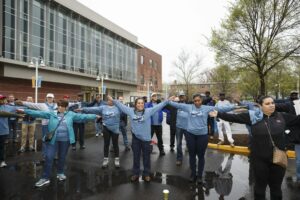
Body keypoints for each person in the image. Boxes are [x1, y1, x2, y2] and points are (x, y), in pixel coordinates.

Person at [209, 96, 300, 200]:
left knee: (276, 189)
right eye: (267, 103)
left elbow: (298, 120)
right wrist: (218, 114)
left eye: (272, 103)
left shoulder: (282, 116)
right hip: (259, 160)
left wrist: (288, 140)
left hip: (278, 160)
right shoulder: (252, 116)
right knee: (260, 189)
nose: (271, 105)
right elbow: (234, 117)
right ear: (260, 106)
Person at [17, 99, 98, 187]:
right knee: (49, 157)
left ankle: (60, 173)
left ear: (66, 107)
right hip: (53, 139)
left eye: (62, 106)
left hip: (65, 140)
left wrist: (95, 116)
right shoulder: (52, 113)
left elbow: (83, 117)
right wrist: (25, 110)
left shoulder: (71, 114)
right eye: (58, 106)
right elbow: (39, 113)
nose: (60, 108)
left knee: (62, 157)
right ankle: (45, 178)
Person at [168, 94, 236, 183]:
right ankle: (193, 174)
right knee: (192, 156)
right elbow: (176, 105)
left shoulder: (206, 108)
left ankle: (200, 176)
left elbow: (221, 109)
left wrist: (234, 106)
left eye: (198, 100)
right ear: (193, 101)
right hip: (190, 135)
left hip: (202, 136)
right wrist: (168, 100)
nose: (197, 102)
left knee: (201, 156)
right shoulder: (188, 107)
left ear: (201, 100)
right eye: (195, 101)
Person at [109, 95, 169, 182]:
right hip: (136, 139)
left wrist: (167, 101)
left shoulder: (148, 111)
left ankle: (146, 173)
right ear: (135, 104)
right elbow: (121, 106)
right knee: (136, 157)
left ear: (144, 104)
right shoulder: (131, 111)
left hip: (146, 139)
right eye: (138, 103)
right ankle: (136, 173)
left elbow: (159, 106)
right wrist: (113, 100)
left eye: (142, 103)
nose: (140, 104)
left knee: (146, 157)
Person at [77, 97, 121, 168]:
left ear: (114, 101)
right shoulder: (103, 107)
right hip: (106, 127)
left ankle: (117, 159)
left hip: (115, 129)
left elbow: (126, 110)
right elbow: (93, 109)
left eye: (111, 100)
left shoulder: (118, 108)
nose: (109, 101)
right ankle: (105, 159)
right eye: (108, 100)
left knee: (115, 144)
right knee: (106, 144)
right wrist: (83, 109)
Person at [16, 93, 58, 159]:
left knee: (55, 140)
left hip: (55, 125)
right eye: (48, 97)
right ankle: (45, 155)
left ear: (53, 98)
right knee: (45, 140)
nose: (50, 99)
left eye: (51, 98)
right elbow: (32, 105)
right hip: (45, 125)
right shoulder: (42, 105)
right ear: (46, 98)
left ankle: (54, 154)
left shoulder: (57, 106)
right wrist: (22, 103)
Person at [275, 91, 300, 186]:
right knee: (299, 161)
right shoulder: (292, 105)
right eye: (292, 94)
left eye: (295, 94)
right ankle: (299, 178)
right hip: (296, 137)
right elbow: (278, 105)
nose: (294, 96)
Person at [0, 94, 23, 167]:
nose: (3, 100)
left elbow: (18, 108)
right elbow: (2, 113)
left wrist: (28, 108)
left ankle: (2, 161)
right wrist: (17, 115)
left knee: (2, 147)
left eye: (3, 99)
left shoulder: (7, 107)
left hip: (3, 131)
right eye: (1, 99)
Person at [175, 91, 189, 166]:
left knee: (190, 143)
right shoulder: (176, 105)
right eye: (180, 96)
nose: (181, 97)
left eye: (183, 96)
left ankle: (191, 159)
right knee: (178, 144)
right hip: (178, 127)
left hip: (187, 127)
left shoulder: (189, 105)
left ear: (185, 97)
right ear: (179, 97)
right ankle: (179, 159)